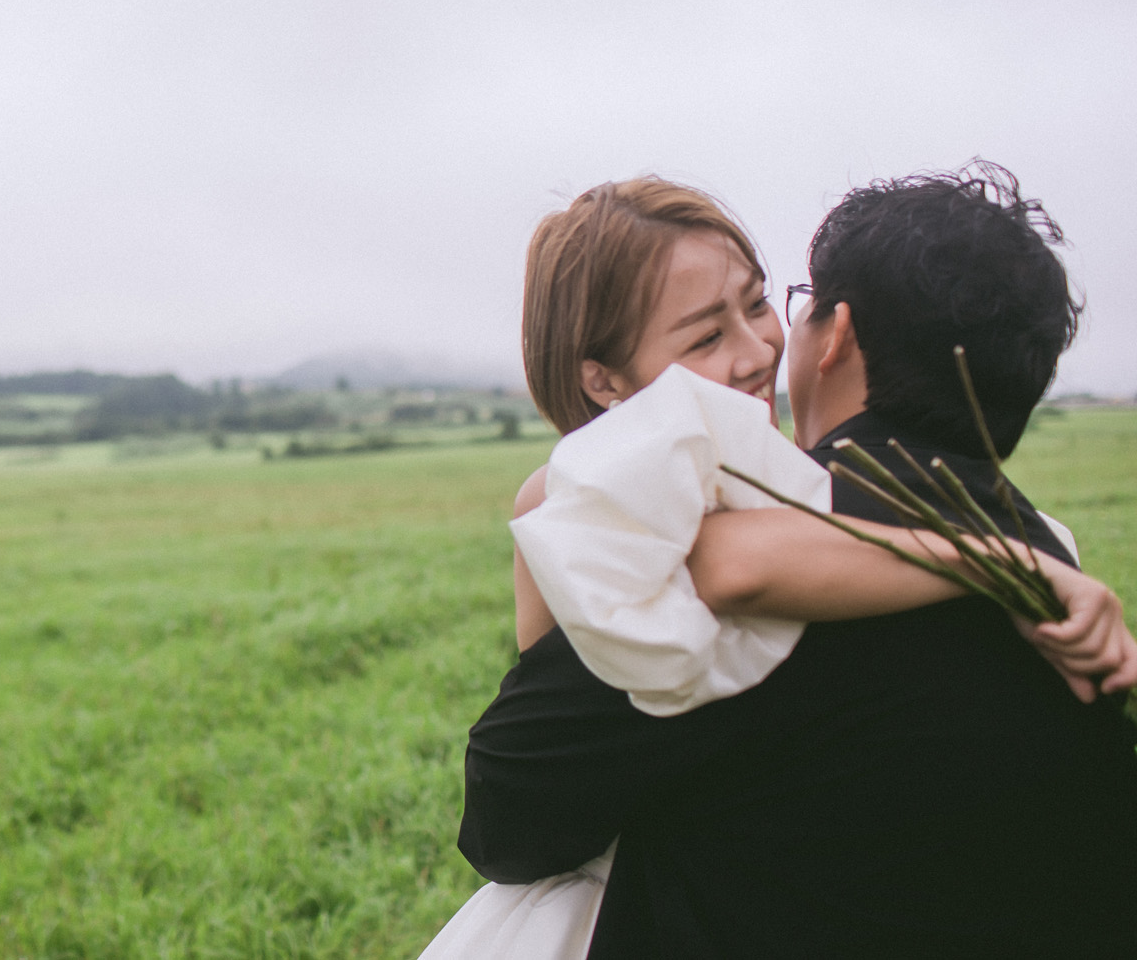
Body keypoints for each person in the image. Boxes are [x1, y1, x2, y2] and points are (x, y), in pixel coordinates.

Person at [456, 165, 1137, 958]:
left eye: (762, 305)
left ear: (836, 334)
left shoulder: (750, 541)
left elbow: (509, 815)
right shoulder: (1045, 546)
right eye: (707, 333)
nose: (760, 350)